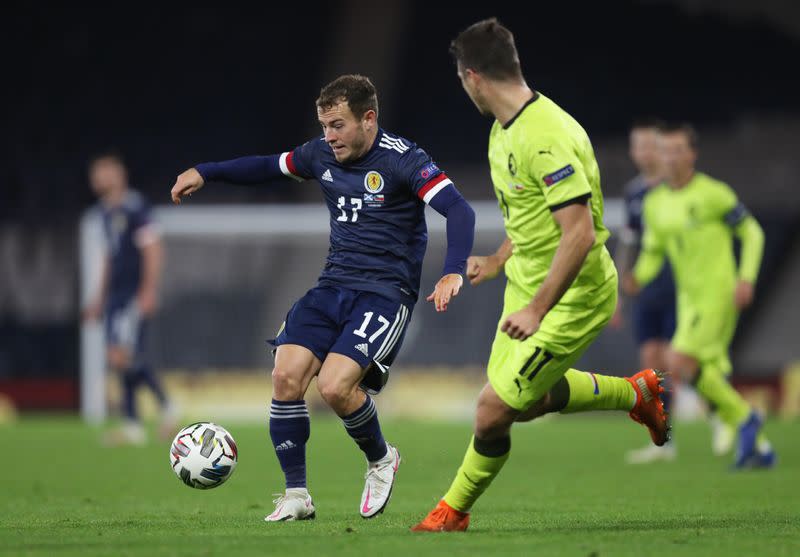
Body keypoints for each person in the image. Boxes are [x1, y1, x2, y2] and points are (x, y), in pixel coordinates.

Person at [170, 74, 476, 521]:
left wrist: (452, 272)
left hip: (385, 294)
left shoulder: (404, 160)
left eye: (337, 125)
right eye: (324, 126)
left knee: (334, 387)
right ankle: (297, 495)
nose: (328, 137)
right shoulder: (319, 154)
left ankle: (381, 458)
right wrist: (206, 172)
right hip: (332, 286)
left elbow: (459, 209)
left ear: (368, 119)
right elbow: (265, 166)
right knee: (286, 376)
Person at [411, 18, 668, 533]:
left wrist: (539, 308)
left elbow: (578, 235)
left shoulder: (545, 137)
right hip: (526, 281)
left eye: (461, 79)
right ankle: (635, 394)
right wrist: (500, 259)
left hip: (572, 295)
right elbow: (534, 219)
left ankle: (451, 512)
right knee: (519, 405)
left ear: (473, 77)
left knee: (491, 410)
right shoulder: (503, 132)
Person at [624, 123, 775, 470]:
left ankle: (746, 419)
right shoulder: (655, 203)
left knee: (677, 363)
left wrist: (746, 278)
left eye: (678, 150)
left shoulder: (713, 193)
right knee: (702, 372)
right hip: (688, 299)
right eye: (665, 151)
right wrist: (637, 278)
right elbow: (653, 250)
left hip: (719, 293)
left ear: (692, 154)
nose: (671, 157)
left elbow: (752, 232)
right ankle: (760, 446)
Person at [83, 152, 175, 446]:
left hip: (133, 294)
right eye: (96, 173)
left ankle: (165, 408)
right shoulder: (104, 213)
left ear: (119, 175)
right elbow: (111, 258)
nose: (98, 178)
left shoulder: (135, 207)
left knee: (125, 356)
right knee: (121, 358)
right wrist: (98, 298)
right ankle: (133, 424)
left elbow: (153, 248)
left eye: (104, 172)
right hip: (115, 296)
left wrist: (147, 290)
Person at [617, 120, 679, 464]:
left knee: (678, 361)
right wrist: (620, 285)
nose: (641, 152)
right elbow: (629, 241)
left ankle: (723, 418)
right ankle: (665, 442)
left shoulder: (677, 188)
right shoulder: (634, 192)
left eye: (647, 145)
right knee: (651, 366)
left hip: (677, 286)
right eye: (636, 145)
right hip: (645, 289)